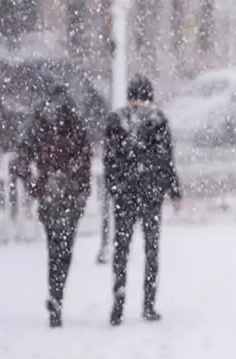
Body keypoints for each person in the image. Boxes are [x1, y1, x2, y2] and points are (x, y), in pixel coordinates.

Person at [11, 83, 92, 328]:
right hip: (70, 195)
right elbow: (85, 159)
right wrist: (81, 190)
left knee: (54, 247)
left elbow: (21, 160)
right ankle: (58, 294)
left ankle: (55, 294)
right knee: (65, 249)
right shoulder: (75, 123)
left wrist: (35, 186)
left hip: (49, 194)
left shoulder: (40, 124)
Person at [104, 74, 183, 326]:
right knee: (151, 250)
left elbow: (109, 160)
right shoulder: (157, 120)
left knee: (121, 249)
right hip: (150, 195)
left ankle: (118, 300)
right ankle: (148, 304)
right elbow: (165, 161)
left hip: (125, 196)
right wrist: (174, 192)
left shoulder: (116, 120)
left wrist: (115, 188)